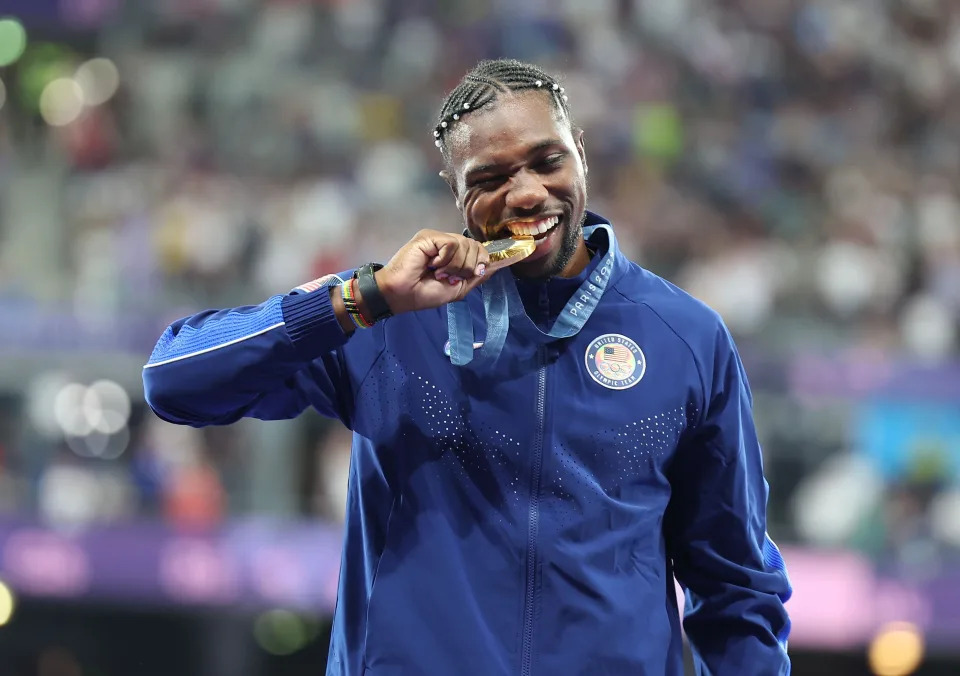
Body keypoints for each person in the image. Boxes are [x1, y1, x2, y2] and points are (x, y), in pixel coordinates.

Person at [143, 59, 791, 676]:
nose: (529, 193)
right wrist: (363, 299)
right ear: (453, 191)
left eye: (547, 161)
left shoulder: (686, 338)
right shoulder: (388, 314)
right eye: (489, 178)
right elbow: (173, 380)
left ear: (581, 153)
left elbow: (736, 586)